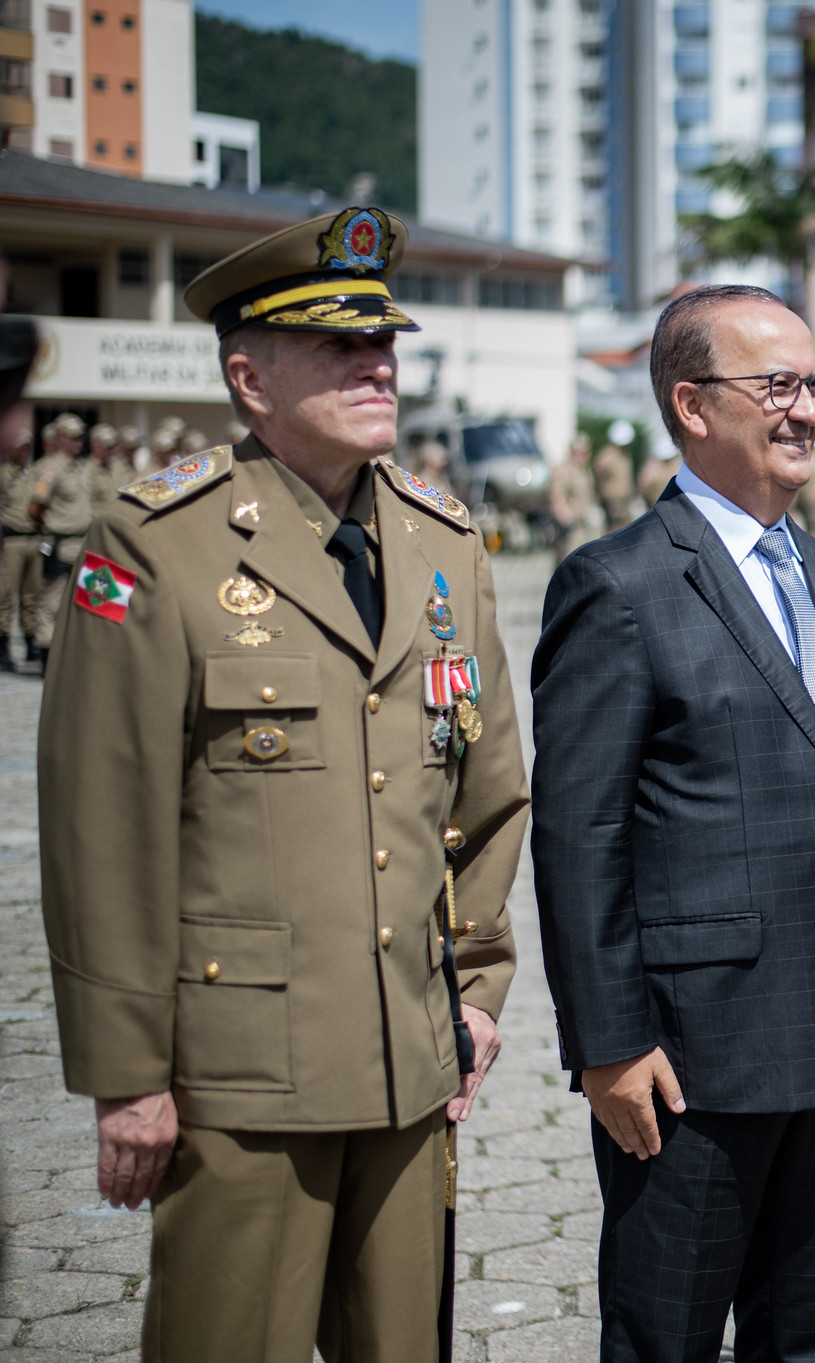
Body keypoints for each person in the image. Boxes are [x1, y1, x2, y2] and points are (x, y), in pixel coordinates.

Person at [36, 206, 529, 1363]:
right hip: (237, 1077)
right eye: (339, 346)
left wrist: (475, 987)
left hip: (411, 1066)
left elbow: (488, 782)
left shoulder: (442, 539)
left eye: (383, 342)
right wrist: (126, 1078)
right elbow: (101, 827)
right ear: (249, 377)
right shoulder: (157, 542)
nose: (377, 363)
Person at [530, 282, 815, 1362]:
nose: (806, 410)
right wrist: (608, 1045)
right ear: (693, 405)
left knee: (805, 1338)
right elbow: (579, 842)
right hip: (688, 1060)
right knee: (667, 1335)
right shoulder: (615, 585)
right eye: (779, 386)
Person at [29, 412, 93, 672]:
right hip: (60, 543)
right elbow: (35, 507)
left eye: (80, 437)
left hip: (83, 543)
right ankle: (46, 656)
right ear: (60, 438)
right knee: (53, 600)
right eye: (72, 437)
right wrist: (52, 527)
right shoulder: (50, 468)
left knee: (90, 599)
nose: (78, 442)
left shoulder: (81, 467)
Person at [0, 419, 39, 671]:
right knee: (6, 595)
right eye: (20, 447)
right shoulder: (3, 473)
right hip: (10, 540)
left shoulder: (33, 472)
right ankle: (3, 646)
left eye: (27, 447)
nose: (24, 451)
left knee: (32, 594)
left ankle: (31, 642)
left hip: (32, 539)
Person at [551, 430, 601, 562]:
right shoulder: (564, 471)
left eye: (586, 452)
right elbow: (557, 499)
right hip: (572, 528)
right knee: (570, 562)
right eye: (579, 453)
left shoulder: (585, 470)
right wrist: (567, 521)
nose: (583, 456)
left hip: (585, 524)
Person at [593, 423, 637, 530]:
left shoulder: (625, 455)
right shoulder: (606, 457)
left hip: (624, 502)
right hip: (611, 502)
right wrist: (607, 498)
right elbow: (597, 479)